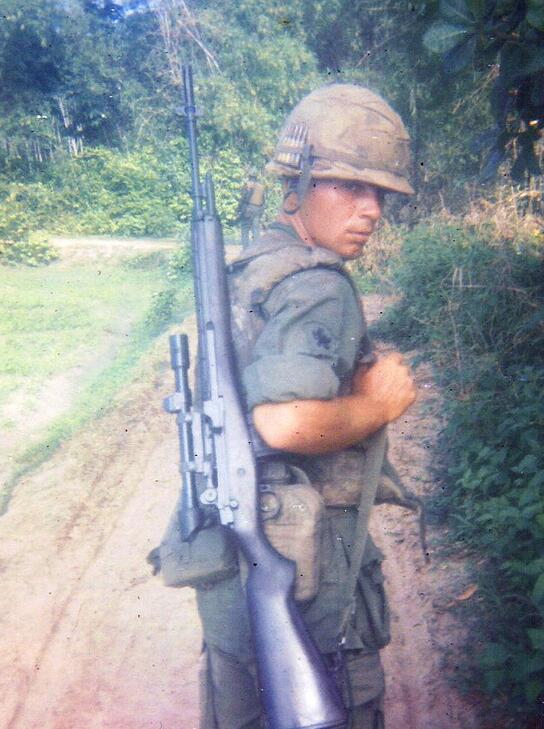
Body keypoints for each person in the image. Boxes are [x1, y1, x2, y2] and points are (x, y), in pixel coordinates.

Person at [195, 83, 417, 729]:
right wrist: (377, 405)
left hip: (235, 577)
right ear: (296, 185)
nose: (370, 209)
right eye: (349, 186)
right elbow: (283, 421)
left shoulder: (253, 270)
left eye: (380, 193)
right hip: (309, 585)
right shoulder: (318, 285)